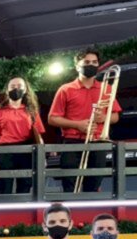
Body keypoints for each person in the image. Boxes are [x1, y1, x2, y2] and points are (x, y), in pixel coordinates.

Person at [48, 47, 121, 193]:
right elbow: (52, 119)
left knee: (94, 184)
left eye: (94, 62)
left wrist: (104, 118)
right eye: (87, 62)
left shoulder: (105, 88)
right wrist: (77, 125)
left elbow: (115, 116)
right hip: (72, 142)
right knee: (69, 184)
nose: (91, 65)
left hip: (98, 141)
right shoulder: (66, 89)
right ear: (77, 66)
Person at [0, 77, 46, 195]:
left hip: (26, 152)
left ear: (25, 90)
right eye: (12, 87)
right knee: (5, 189)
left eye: (19, 86)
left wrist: (42, 157)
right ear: (7, 90)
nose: (16, 89)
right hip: (5, 153)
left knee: (24, 188)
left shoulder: (31, 111)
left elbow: (38, 135)